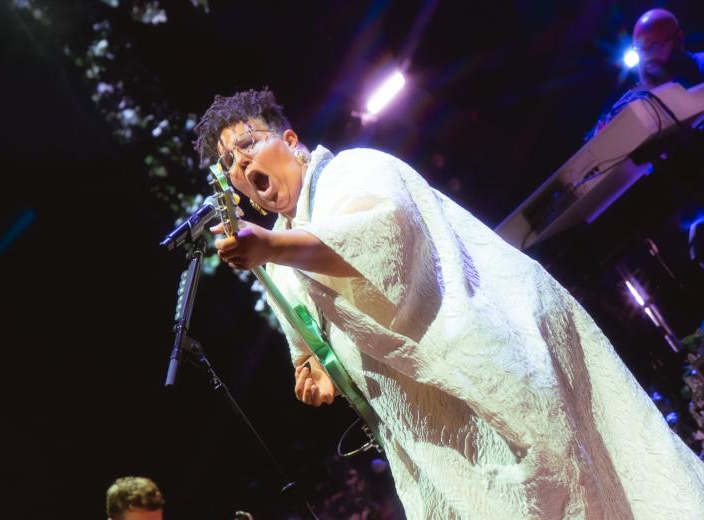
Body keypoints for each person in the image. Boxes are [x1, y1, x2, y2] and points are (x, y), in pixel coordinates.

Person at [195, 88, 704, 518]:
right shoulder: (279, 264)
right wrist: (317, 369)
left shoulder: (354, 169)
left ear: (290, 141)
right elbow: (310, 346)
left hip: (490, 370)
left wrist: (271, 247)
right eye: (229, 163)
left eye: (248, 144)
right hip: (428, 430)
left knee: (574, 495)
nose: (241, 163)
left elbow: (379, 241)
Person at [588, 8, 704, 138]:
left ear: (678, 39)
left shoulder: (700, 64)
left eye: (653, 46)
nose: (646, 57)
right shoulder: (636, 96)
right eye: (640, 49)